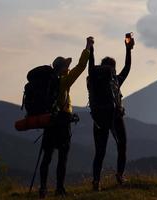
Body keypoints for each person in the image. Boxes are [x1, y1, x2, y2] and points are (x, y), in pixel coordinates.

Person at [39, 37, 93, 198]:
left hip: (48, 122)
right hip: (62, 123)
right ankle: (59, 189)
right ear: (62, 69)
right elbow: (81, 66)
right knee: (62, 157)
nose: (68, 69)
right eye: (66, 67)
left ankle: (43, 189)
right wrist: (88, 47)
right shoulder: (64, 82)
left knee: (47, 157)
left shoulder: (48, 84)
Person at [87, 34, 134, 191]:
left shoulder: (93, 78)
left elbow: (90, 64)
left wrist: (90, 49)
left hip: (98, 118)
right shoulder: (115, 80)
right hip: (115, 116)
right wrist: (128, 49)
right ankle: (120, 176)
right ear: (112, 69)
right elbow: (127, 68)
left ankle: (96, 182)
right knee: (122, 145)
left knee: (99, 151)